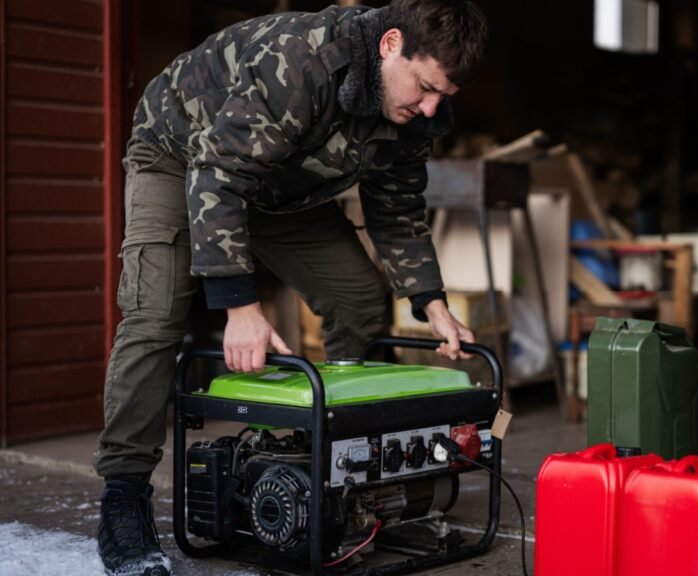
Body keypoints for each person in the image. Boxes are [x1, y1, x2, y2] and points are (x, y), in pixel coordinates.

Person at [92, 1, 487, 574]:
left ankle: (343, 472)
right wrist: (240, 306)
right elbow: (219, 173)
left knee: (357, 297)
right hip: (182, 158)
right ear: (390, 44)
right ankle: (123, 495)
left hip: (282, 189)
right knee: (156, 314)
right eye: (425, 87)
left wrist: (432, 302)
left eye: (442, 98)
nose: (429, 107)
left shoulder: (418, 113)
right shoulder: (303, 58)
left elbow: (397, 208)